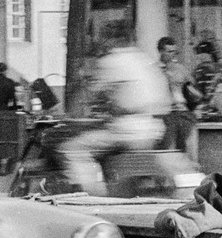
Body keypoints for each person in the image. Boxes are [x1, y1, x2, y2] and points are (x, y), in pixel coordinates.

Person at [56, 28, 169, 193]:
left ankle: (94, 197)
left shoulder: (112, 60)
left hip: (128, 130)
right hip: (153, 128)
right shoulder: (144, 60)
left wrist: (72, 114)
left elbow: (90, 93)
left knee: (73, 149)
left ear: (111, 41)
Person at [156, 36, 199, 161]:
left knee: (185, 150)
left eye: (174, 52)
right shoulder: (155, 69)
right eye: (169, 52)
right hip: (165, 112)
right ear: (161, 51)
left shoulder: (180, 68)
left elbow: (193, 90)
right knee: (168, 149)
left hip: (182, 111)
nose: (172, 55)